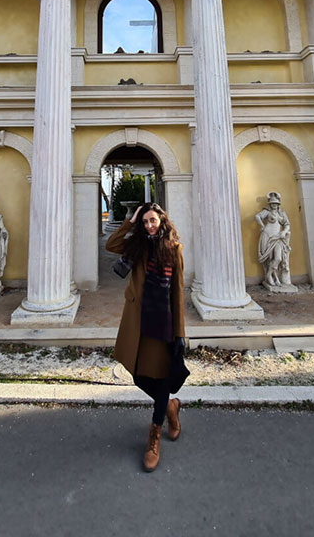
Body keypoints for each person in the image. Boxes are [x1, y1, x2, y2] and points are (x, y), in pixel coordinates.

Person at [106, 202, 187, 472]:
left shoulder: (173, 249)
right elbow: (111, 245)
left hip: (162, 321)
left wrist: (179, 333)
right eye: (145, 222)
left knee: (161, 377)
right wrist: (130, 221)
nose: (149, 225)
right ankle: (170, 407)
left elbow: (177, 293)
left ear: (162, 221)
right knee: (138, 376)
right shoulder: (137, 246)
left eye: (153, 220)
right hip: (138, 320)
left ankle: (154, 433)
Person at [255, 191, 292, 288]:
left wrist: (283, 232)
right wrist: (262, 226)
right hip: (267, 236)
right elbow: (257, 217)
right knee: (269, 258)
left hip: (278, 238)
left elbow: (287, 225)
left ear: (278, 204)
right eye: (272, 203)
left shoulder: (282, 213)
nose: (274, 205)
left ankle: (268, 275)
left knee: (278, 258)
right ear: (270, 204)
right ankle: (273, 277)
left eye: (276, 203)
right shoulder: (267, 211)